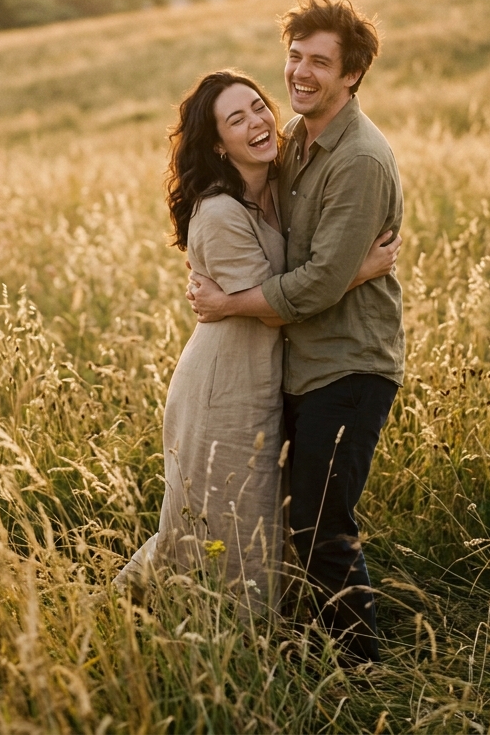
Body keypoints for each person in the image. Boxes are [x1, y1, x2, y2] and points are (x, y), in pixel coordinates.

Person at [116, 69, 399, 614]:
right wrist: (358, 272)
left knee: (260, 515)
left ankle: (262, 623)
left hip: (265, 377)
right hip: (224, 384)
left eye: (258, 106)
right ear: (218, 146)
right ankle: (177, 620)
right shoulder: (221, 213)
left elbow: (299, 275)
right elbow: (275, 312)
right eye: (236, 119)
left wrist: (338, 269)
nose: (258, 123)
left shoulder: (277, 185)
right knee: (219, 516)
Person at [187, 0, 404, 662]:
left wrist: (231, 305)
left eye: (319, 62)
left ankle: (359, 668)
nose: (300, 73)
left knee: (321, 526)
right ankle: (310, 641)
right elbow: (292, 250)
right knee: (293, 520)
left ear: (352, 76)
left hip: (349, 365)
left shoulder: (358, 159)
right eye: (294, 56)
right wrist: (351, 271)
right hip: (301, 363)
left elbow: (312, 283)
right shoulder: (297, 143)